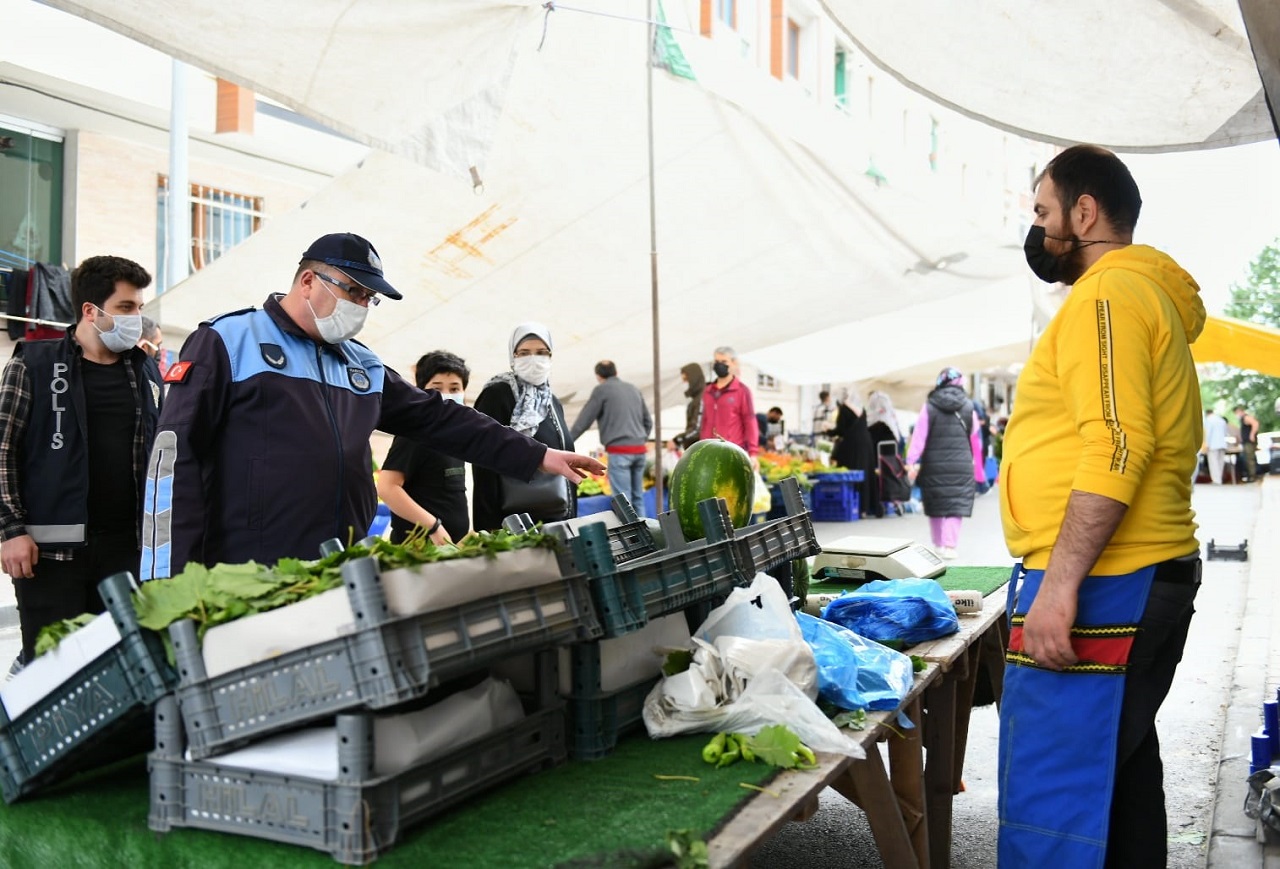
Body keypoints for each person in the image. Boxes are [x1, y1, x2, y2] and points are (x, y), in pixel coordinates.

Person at [140, 234, 600, 578]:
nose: (362, 305)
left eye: (368, 298)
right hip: (252, 568)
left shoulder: (361, 364)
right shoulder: (228, 340)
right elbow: (172, 460)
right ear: (307, 281)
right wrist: (170, 577)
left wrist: (537, 454)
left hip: (346, 563)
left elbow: (441, 417)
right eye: (353, 291)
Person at [997, 145, 1205, 868]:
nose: (1038, 228)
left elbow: (1117, 442)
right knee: (1116, 784)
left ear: (1085, 213)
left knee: (1054, 800)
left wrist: (1059, 587)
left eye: (1043, 211)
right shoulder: (1139, 297)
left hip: (1110, 580)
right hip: (1139, 571)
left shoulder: (1106, 295)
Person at [0, 256, 163, 665]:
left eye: (140, 308)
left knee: (122, 669)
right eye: (126, 308)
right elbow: (2, 450)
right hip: (51, 558)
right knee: (52, 671)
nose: (136, 318)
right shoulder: (34, 364)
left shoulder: (145, 374)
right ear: (91, 311)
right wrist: (10, 530)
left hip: (127, 554)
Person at [472, 323, 578, 531]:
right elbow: (483, 460)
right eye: (524, 353)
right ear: (513, 357)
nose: (533, 359)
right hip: (514, 522)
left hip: (557, 514)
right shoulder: (497, 394)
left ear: (550, 356)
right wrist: (490, 525)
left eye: (541, 352)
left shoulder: (552, 401)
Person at [376, 351, 472, 545]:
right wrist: (434, 527)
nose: (446, 395)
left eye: (454, 389)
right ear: (420, 391)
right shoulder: (414, 434)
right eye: (437, 388)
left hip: (451, 550)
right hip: (418, 550)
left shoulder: (456, 435)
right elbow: (387, 487)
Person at [905, 367, 985, 559]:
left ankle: (939, 544)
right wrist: (978, 467)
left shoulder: (930, 406)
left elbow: (919, 436)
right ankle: (951, 545)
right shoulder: (968, 406)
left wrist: (911, 461)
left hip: (934, 463)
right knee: (956, 504)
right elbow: (974, 434)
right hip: (961, 463)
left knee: (936, 503)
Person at [569, 360, 653, 517]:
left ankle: (634, 538)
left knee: (624, 500)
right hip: (640, 451)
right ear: (616, 372)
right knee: (637, 497)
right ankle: (648, 532)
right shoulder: (633, 388)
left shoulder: (601, 390)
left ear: (598, 376)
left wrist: (567, 441)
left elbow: (584, 421)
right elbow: (648, 422)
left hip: (619, 452)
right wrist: (639, 440)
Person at [700, 346, 758, 461]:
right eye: (716, 361)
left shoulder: (742, 391)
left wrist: (753, 452)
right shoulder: (707, 391)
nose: (719, 365)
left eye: (724, 361)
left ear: (733, 363)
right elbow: (704, 421)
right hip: (709, 451)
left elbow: (749, 421)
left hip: (732, 451)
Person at [830, 389, 881, 518]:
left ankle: (856, 506)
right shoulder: (861, 408)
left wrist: (827, 431)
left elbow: (840, 430)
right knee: (866, 473)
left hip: (852, 446)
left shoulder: (844, 409)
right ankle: (866, 507)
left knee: (852, 473)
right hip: (866, 444)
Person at [667, 362, 705, 452]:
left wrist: (677, 440)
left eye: (685, 379)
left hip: (699, 450)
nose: (683, 383)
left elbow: (696, 429)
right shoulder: (696, 399)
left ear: (693, 379)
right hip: (696, 449)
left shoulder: (701, 399)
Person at [1201, 407, 1228, 484]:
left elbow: (1207, 433)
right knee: (1220, 462)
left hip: (1213, 444)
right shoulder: (1222, 420)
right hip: (1222, 444)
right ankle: (1219, 479)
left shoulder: (1209, 420)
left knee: (1213, 462)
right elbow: (1225, 433)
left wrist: (1206, 444)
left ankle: (1216, 480)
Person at [1235, 404, 1259, 482]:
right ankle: (1251, 476)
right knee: (1248, 459)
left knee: (1250, 459)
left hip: (1249, 442)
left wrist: (1252, 435)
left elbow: (1255, 424)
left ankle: (1252, 476)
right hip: (1246, 442)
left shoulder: (1246, 417)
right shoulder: (1242, 419)